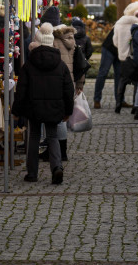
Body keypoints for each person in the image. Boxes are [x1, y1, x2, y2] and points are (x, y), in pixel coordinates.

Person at [11, 23, 74, 185]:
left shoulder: (29, 65)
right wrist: (68, 110)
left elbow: (21, 90)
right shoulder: (60, 65)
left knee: (33, 137)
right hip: (54, 108)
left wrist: (16, 110)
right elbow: (68, 89)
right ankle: (56, 168)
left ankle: (32, 173)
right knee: (52, 137)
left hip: (34, 108)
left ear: (38, 42)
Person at [52, 23, 88, 161]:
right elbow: (80, 64)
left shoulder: (54, 41)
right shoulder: (73, 41)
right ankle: (62, 151)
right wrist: (79, 84)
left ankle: (57, 151)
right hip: (70, 84)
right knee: (63, 117)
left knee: (56, 118)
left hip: (56, 83)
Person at [113, 1, 138, 113]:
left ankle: (118, 104)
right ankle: (136, 106)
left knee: (122, 80)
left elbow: (115, 42)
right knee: (137, 81)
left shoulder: (119, 23)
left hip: (123, 57)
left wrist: (122, 49)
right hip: (135, 57)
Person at [93, 25, 118, 110]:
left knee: (119, 76)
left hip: (119, 51)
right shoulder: (126, 22)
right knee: (103, 73)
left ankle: (120, 100)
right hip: (109, 48)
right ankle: (97, 99)